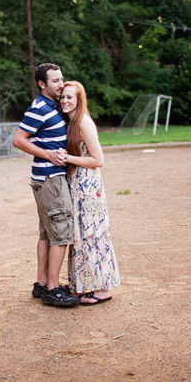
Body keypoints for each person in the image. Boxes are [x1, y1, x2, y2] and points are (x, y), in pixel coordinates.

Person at [12, 63, 80, 307]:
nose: (61, 84)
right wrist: (48, 155)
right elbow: (18, 140)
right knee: (61, 233)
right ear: (42, 84)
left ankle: (41, 284)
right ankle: (53, 289)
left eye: (61, 79)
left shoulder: (53, 107)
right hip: (50, 179)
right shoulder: (40, 108)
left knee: (47, 232)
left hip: (44, 179)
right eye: (55, 81)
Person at [60, 81, 120, 305]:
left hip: (88, 188)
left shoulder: (84, 122)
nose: (65, 101)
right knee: (80, 237)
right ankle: (83, 285)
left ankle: (103, 289)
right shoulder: (72, 122)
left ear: (79, 100)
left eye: (69, 97)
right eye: (63, 97)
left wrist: (68, 158)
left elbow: (98, 160)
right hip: (77, 185)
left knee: (93, 236)